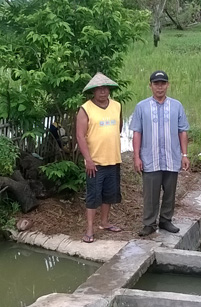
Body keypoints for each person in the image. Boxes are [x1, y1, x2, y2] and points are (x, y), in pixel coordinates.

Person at [131, 70, 190, 236]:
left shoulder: (176, 106)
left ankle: (165, 220)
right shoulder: (141, 107)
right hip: (150, 158)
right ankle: (149, 224)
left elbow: (182, 131)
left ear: (168, 85)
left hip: (172, 157)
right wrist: (136, 157)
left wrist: (184, 155)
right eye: (156, 84)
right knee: (150, 193)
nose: (160, 87)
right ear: (150, 86)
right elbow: (137, 132)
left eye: (163, 83)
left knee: (170, 191)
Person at [75, 72, 123, 243]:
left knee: (110, 194)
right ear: (93, 92)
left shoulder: (117, 106)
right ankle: (89, 229)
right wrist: (88, 159)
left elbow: (119, 128)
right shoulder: (85, 109)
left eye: (105, 89)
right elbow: (80, 136)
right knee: (93, 196)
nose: (103, 92)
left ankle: (104, 222)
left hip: (113, 158)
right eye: (99, 89)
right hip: (95, 162)